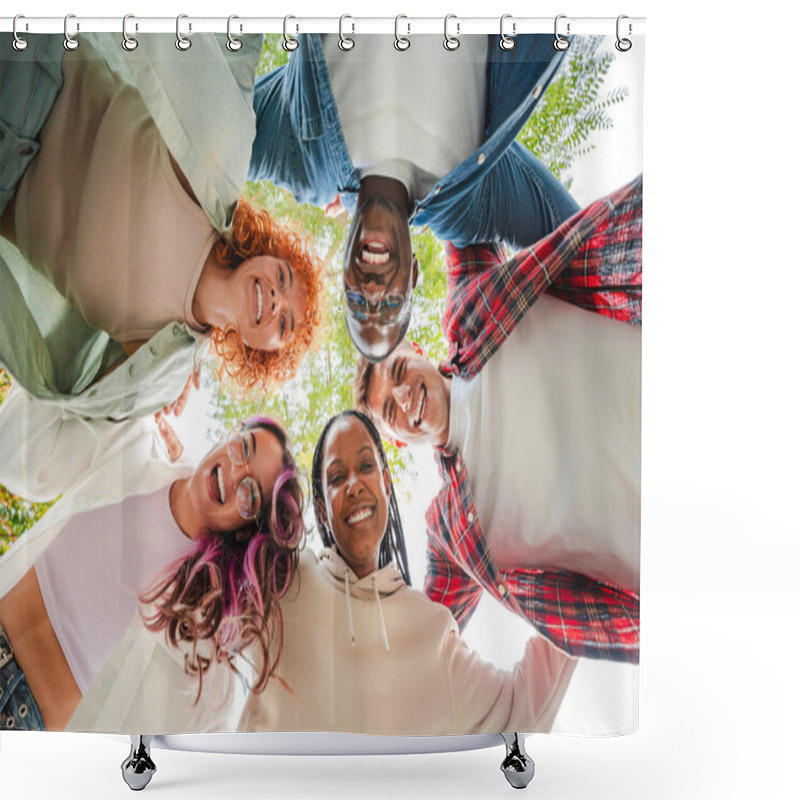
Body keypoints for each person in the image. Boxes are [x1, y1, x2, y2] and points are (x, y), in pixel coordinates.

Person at [354, 176, 643, 663]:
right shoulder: (450, 529)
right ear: (397, 441)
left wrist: (372, 196)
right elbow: (422, 637)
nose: (404, 397)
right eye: (389, 411)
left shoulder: (471, 310)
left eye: (399, 371)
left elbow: (459, 181)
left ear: (420, 352)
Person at [0, 32, 323, 423]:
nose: (276, 299)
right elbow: (229, 51)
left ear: (261, 352)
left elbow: (82, 420)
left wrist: (161, 385)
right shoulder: (211, 179)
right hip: (32, 78)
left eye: (285, 323)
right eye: (284, 277)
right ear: (269, 255)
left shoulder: (158, 361)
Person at [236, 411, 576, 735]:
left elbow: (521, 710)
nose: (354, 485)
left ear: (386, 482)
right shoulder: (284, 582)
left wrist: (578, 559)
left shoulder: (431, 631)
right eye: (337, 477)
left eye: (366, 466)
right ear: (322, 510)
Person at [247, 33, 579, 360]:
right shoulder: (466, 206)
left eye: (357, 303)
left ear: (344, 276)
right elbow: (581, 245)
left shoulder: (303, 159)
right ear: (414, 276)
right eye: (390, 305)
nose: (373, 291)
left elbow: (210, 151)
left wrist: (199, 314)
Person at [0, 416, 305, 731]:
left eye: (251, 493)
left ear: (245, 532)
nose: (237, 472)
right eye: (243, 447)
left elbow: (214, 731)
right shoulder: (136, 447)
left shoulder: (204, 618)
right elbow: (17, 455)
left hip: (23, 722)